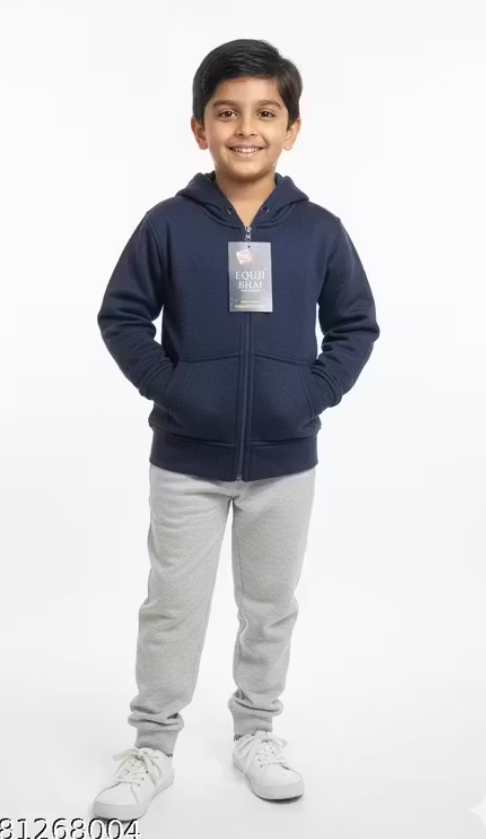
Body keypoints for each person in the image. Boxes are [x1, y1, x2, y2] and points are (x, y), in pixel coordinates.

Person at [93, 37, 380, 821]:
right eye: (226, 113)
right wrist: (176, 389)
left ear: (292, 128)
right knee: (172, 605)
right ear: (199, 128)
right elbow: (122, 317)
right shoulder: (167, 225)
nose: (245, 128)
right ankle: (152, 745)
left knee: (269, 604)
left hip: (285, 461)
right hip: (185, 460)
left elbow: (354, 325)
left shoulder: (317, 230)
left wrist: (309, 395)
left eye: (265, 113)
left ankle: (255, 730)